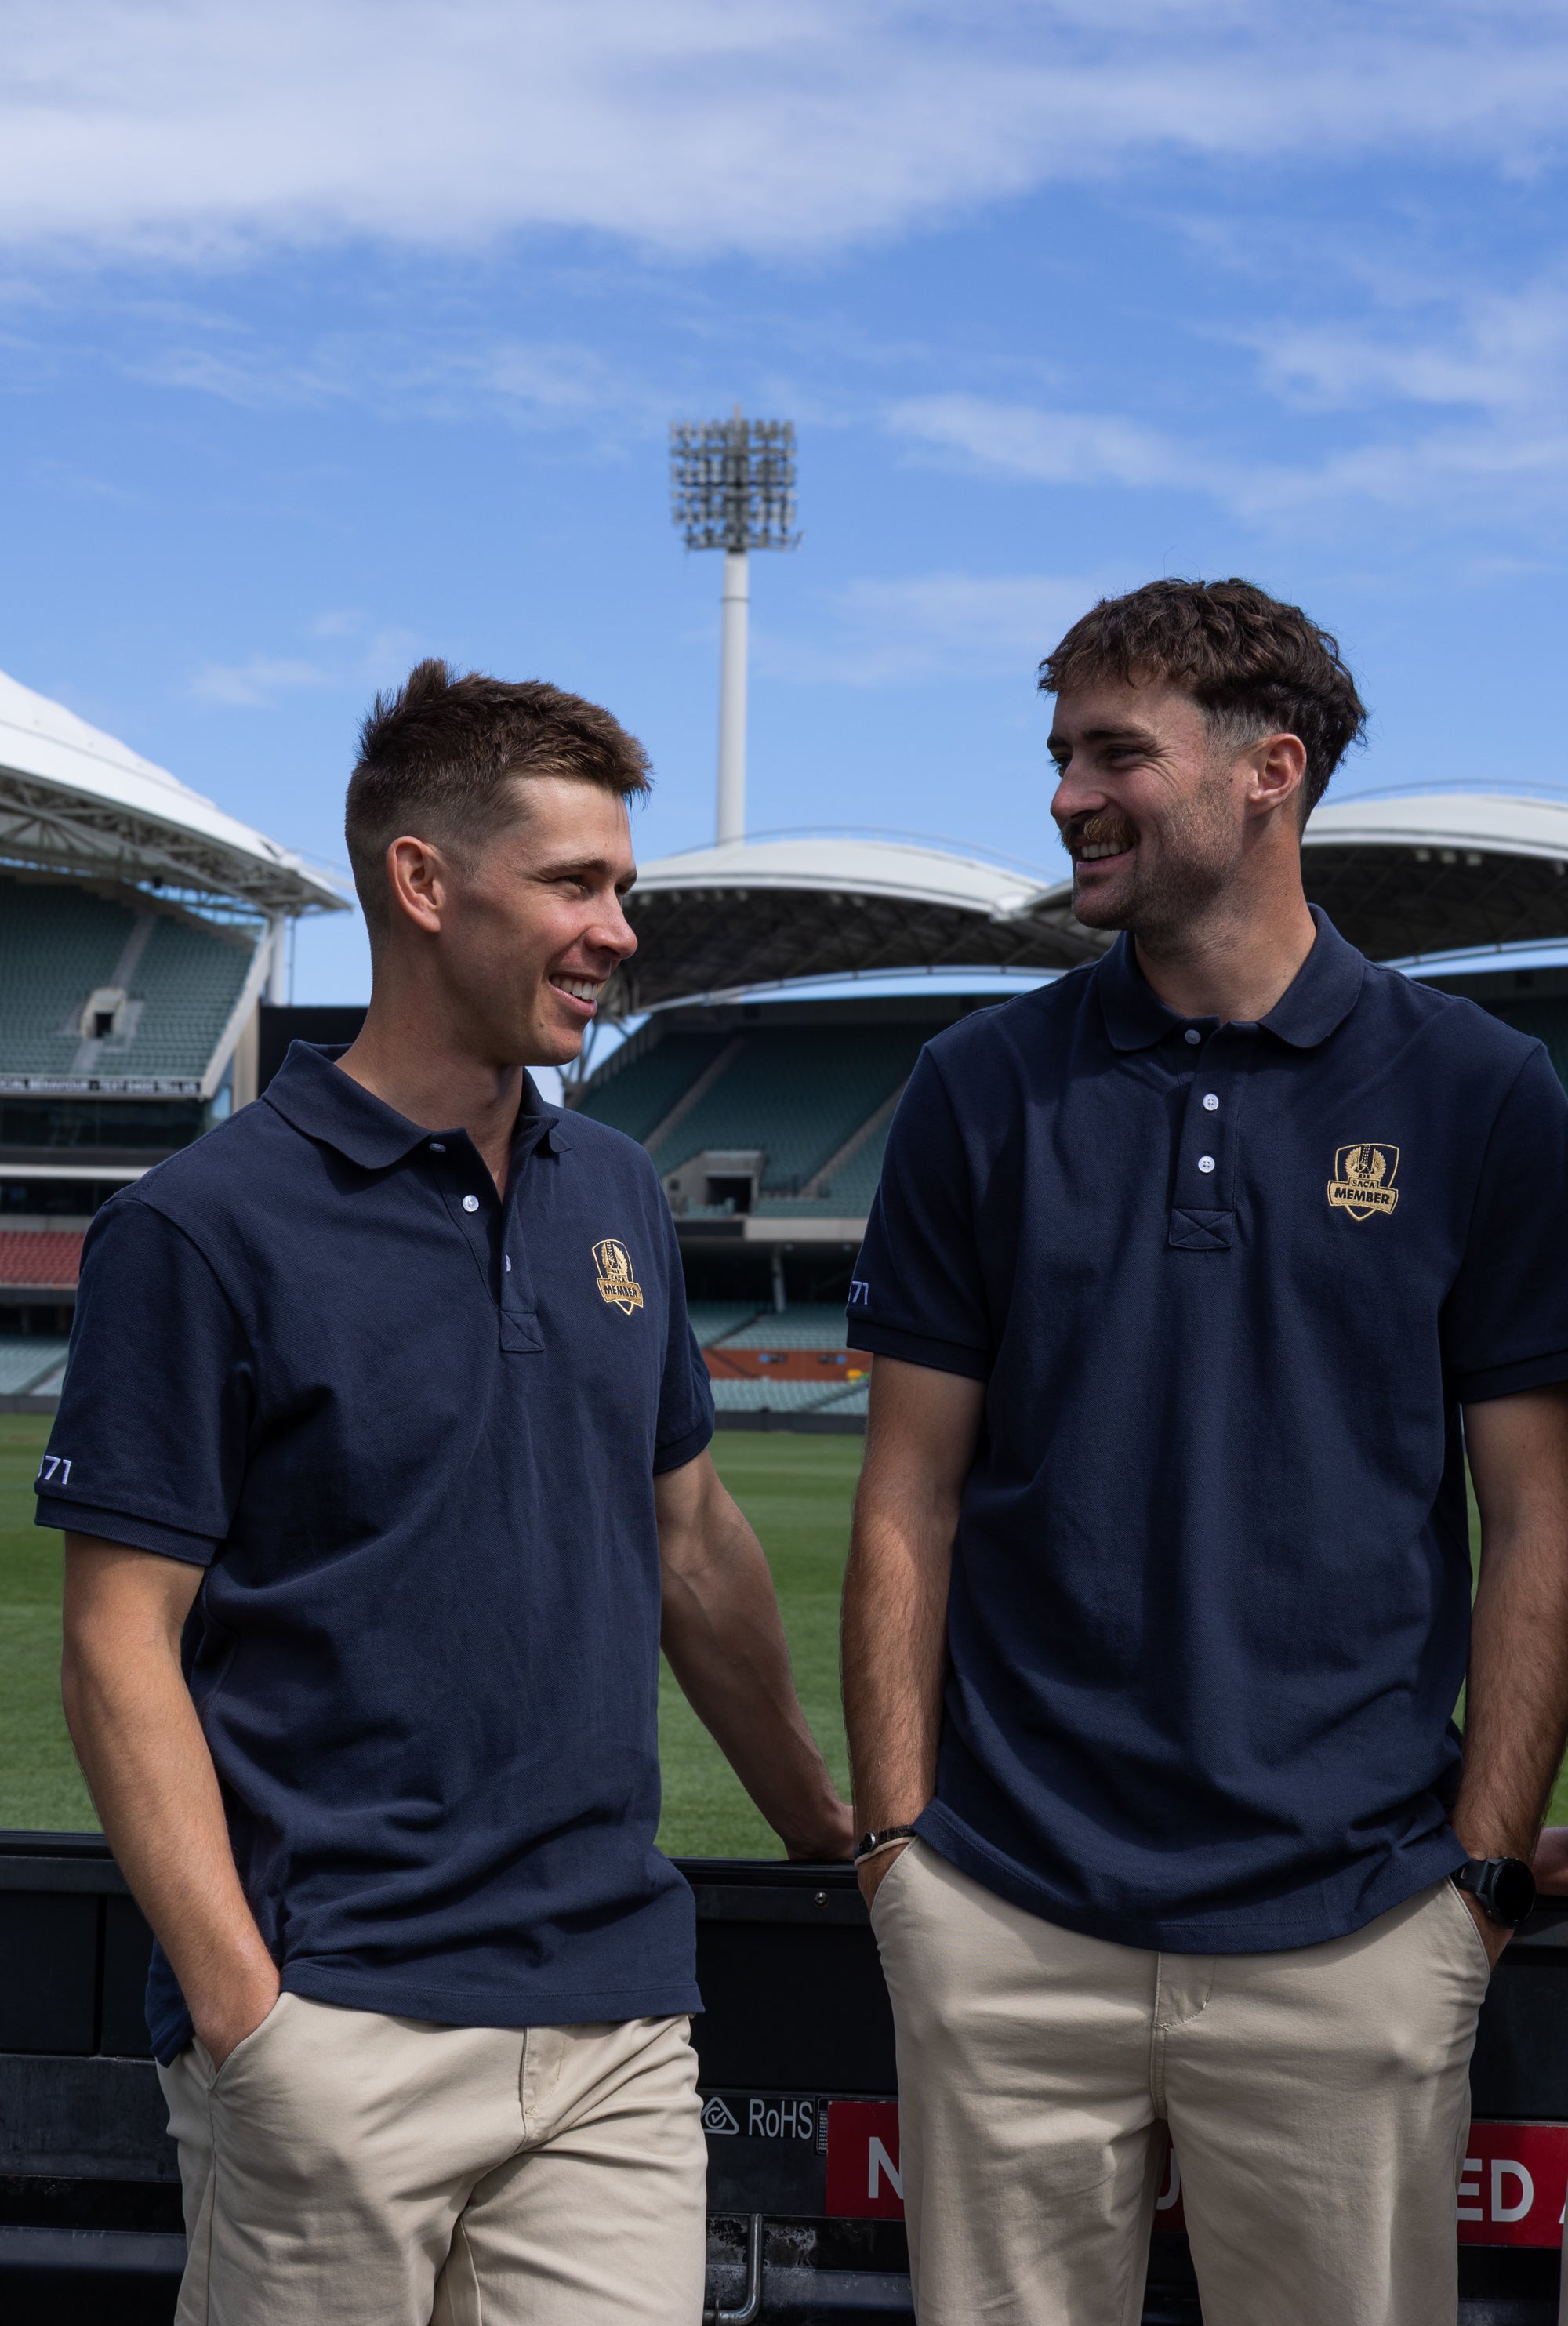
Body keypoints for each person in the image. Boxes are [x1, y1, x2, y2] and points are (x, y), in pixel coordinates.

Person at [42, 661, 851, 2326]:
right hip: (335, 2028)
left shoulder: (617, 1185)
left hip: (614, 2032)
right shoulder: (203, 1228)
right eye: (574, 883)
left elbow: (693, 1543)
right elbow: (119, 1647)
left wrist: (827, 1836)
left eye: (618, 885)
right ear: (421, 885)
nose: (618, 930)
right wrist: (248, 2018)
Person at [840, 579, 1568, 2326]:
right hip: (1006, 1918)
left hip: (1353, 1925)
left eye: (1116, 755)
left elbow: (1537, 1511)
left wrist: (1472, 1878)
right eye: (1059, 754)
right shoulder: (976, 1085)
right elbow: (906, 1497)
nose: (1067, 795)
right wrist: (895, 1857)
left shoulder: (1479, 1094)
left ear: (1269, 775)